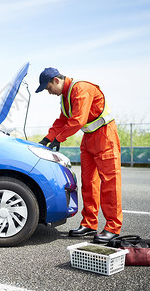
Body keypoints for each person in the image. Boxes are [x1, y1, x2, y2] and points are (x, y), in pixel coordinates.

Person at [35, 67, 122, 243]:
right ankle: (89, 224)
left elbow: (78, 120)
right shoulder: (66, 97)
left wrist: (59, 138)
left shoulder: (80, 89)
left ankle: (113, 228)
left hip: (105, 137)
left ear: (56, 80)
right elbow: (62, 121)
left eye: (48, 87)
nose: (48, 92)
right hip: (89, 139)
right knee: (89, 183)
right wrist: (47, 139)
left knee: (109, 184)